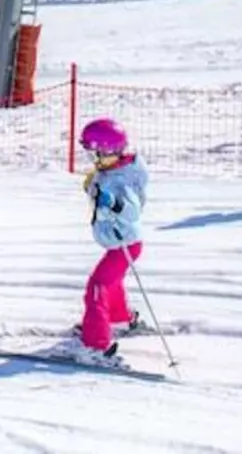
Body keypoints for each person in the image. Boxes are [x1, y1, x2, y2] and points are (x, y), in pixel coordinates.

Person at [75, 118, 149, 363]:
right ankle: (118, 318)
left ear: (107, 151)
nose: (92, 159)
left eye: (94, 153)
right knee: (112, 283)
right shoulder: (114, 170)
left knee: (97, 287)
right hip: (126, 243)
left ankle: (96, 345)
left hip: (124, 244)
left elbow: (132, 211)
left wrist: (109, 199)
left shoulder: (119, 180)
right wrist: (94, 187)